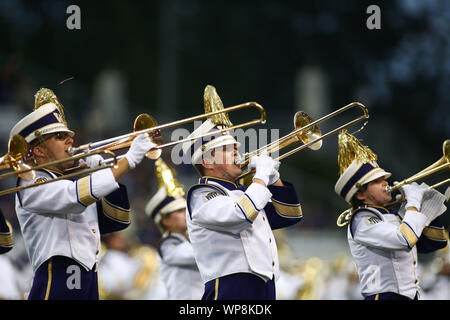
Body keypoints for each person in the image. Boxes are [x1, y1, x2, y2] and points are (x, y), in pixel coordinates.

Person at [10, 88, 156, 300]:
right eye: (60, 137)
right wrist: (128, 159)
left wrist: (101, 171)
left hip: (88, 274)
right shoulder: (32, 182)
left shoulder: (75, 179)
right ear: (39, 150)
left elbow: (117, 219)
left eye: (68, 136)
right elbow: (73, 197)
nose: (70, 140)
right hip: (59, 274)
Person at [181, 85, 303, 300]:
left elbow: (289, 214)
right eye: (228, 149)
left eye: (236, 147)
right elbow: (241, 214)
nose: (237, 151)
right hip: (230, 286)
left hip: (264, 285)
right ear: (207, 161)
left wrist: (274, 179)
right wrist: (260, 177)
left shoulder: (245, 191)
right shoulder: (202, 195)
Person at [334, 130, 448, 300]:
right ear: (360, 194)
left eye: (384, 178)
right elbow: (404, 239)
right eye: (376, 181)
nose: (385, 181)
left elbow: (434, 242)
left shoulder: (393, 216)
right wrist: (413, 203)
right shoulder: (361, 220)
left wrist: (424, 204)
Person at [145, 158, 203, 300]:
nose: (186, 214)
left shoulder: (189, 240)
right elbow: (198, 255)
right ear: (165, 221)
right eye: (178, 211)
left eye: (185, 210)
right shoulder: (167, 245)